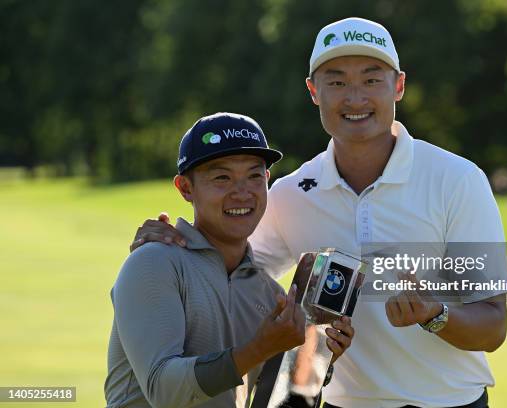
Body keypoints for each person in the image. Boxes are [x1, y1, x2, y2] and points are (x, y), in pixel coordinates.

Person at [131, 18, 507, 408]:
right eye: (336, 81)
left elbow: (493, 325)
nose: (355, 97)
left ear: (398, 85)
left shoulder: (458, 180)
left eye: (371, 79)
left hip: (451, 402)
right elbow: (227, 273)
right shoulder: (290, 194)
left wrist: (435, 314)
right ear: (314, 91)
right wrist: (169, 244)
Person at [105, 112, 354, 408]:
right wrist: (258, 348)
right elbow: (164, 391)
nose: (242, 193)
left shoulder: (269, 294)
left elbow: (276, 400)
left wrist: (314, 360)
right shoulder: (154, 263)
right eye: (222, 178)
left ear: (266, 181)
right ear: (186, 188)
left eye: (253, 176)